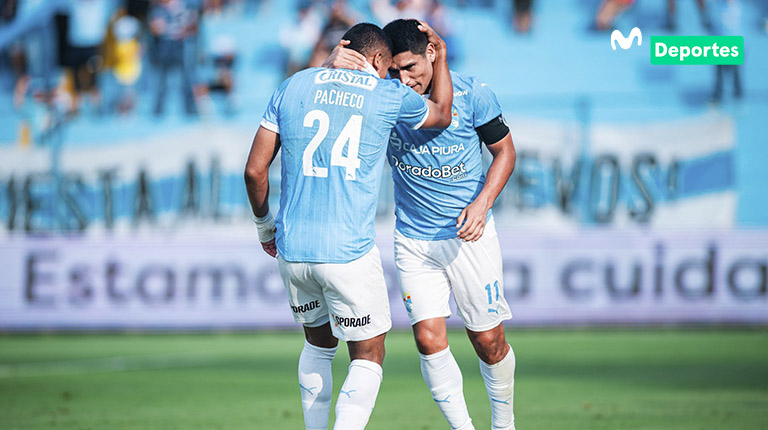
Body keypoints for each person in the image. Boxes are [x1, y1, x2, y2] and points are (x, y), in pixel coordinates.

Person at [244, 22, 454, 430]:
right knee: (368, 355)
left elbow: (255, 172)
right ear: (377, 59)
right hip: (349, 254)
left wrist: (264, 228)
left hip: (293, 251)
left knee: (318, 348)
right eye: (389, 65)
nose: (393, 74)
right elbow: (442, 114)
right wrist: (439, 57)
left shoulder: (293, 86)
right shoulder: (386, 95)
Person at [324, 18, 517, 430]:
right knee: (428, 340)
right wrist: (330, 65)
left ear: (432, 53)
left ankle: (504, 424)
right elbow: (326, 102)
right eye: (393, 70)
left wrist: (483, 203)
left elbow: (505, 153)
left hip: (469, 237)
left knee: (488, 341)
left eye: (410, 67)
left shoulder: (472, 93)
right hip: (413, 239)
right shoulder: (385, 98)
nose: (402, 78)